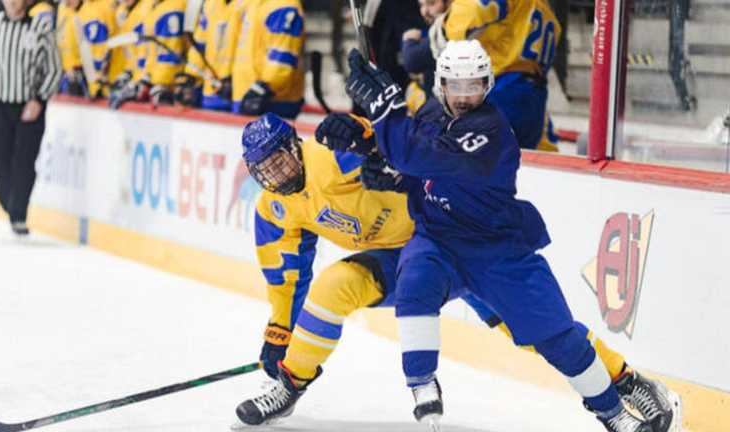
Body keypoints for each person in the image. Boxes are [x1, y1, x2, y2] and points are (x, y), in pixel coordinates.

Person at [315, 43, 681, 432]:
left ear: (487, 85)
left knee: (558, 338)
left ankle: (614, 412)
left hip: (498, 254)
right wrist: (374, 150)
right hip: (440, 240)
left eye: (473, 86)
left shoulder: (490, 129)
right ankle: (422, 383)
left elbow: (427, 159)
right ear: (441, 85)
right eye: (455, 86)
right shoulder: (430, 115)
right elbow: (414, 167)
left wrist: (387, 110)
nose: (464, 96)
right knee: (416, 280)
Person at [232, 112, 678, 430]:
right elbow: (285, 276)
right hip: (399, 260)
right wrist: (279, 331)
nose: (277, 173)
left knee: (537, 331)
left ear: (295, 145)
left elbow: (398, 145)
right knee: (333, 286)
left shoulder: (332, 157)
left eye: (281, 160)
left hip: (449, 237)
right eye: (266, 170)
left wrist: (373, 142)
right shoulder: (273, 208)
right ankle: (291, 385)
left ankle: (625, 381)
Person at [407, 0, 561, 151]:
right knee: (520, 164)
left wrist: (444, 26)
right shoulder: (546, 11)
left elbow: (470, 12)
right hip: (535, 96)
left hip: (502, 90)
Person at [0, 0, 62, 235]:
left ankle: (18, 212)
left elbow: (54, 68)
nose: (12, 2)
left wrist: (39, 100)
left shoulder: (40, 30)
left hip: (28, 107)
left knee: (24, 161)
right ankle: (10, 203)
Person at [229, 0, 305, 118]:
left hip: (270, 100)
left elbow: (282, 57)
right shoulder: (255, 4)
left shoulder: (284, 6)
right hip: (247, 94)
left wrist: (262, 89)